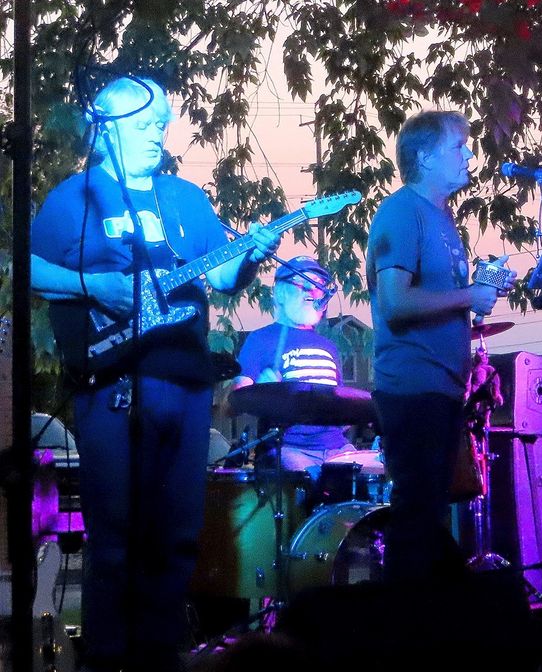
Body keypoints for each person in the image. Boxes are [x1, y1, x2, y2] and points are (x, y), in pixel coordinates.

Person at [30, 76, 279, 672]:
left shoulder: (185, 198)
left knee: (177, 535)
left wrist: (251, 253)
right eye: (142, 126)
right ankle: (107, 658)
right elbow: (29, 268)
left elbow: (218, 278)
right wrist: (95, 284)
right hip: (111, 380)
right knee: (115, 538)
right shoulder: (77, 198)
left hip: (187, 384)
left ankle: (162, 656)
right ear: (106, 128)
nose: (156, 136)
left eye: (162, 125)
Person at [365, 109, 513, 584]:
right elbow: (395, 302)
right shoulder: (403, 211)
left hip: (443, 386)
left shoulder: (441, 219)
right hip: (413, 386)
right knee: (416, 516)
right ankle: (405, 636)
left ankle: (422, 627)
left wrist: (478, 292)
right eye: (458, 146)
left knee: (429, 514)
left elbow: (437, 302)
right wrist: (470, 295)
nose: (470, 153)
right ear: (425, 157)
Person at [230, 256, 359, 474]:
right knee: (315, 481)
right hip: (288, 448)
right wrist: (258, 392)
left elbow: (341, 406)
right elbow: (232, 404)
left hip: (336, 447)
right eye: (304, 284)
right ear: (280, 292)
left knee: (371, 474)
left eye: (318, 286)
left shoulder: (329, 346)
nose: (312, 291)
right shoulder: (261, 339)